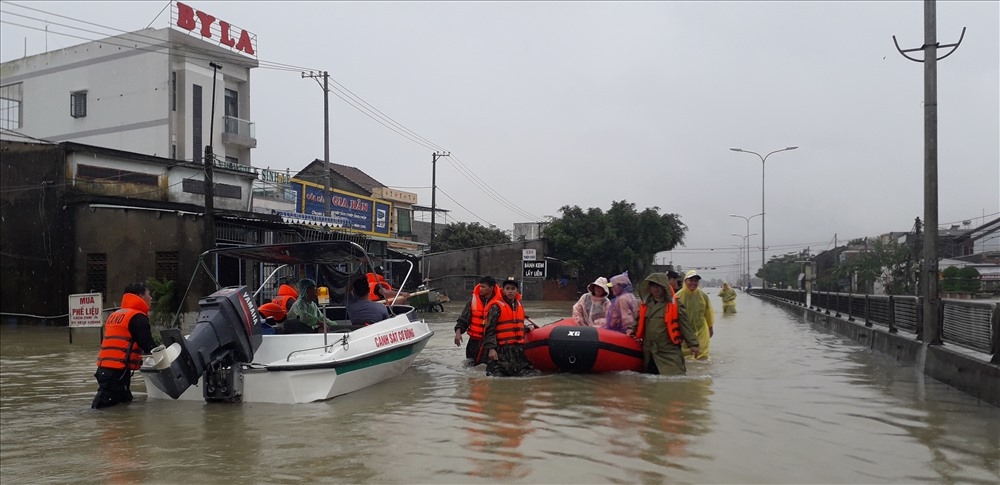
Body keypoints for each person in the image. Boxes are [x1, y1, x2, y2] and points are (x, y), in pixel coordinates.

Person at [92, 282, 158, 409]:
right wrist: (169, 355)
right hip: (117, 372)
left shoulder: (116, 314)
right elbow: (149, 346)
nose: (151, 298)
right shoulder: (137, 317)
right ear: (139, 296)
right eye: (148, 294)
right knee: (103, 408)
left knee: (124, 403)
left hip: (105, 369)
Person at [627, 273, 700, 375]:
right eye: (653, 286)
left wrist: (693, 344)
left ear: (664, 287)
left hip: (668, 351)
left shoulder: (675, 306)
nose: (655, 290)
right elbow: (638, 320)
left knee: (675, 381)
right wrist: (631, 329)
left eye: (658, 287)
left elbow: (685, 326)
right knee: (649, 383)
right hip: (649, 351)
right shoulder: (646, 304)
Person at [482, 277, 537, 377]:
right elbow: (489, 329)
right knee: (497, 377)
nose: (510, 291)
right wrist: (491, 349)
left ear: (517, 291)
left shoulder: (519, 306)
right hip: (501, 351)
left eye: (513, 289)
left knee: (532, 374)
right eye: (507, 289)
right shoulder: (496, 307)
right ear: (503, 290)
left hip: (517, 352)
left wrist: (528, 329)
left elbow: (515, 325)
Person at [454, 276, 502, 365]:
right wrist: (458, 332)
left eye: (483, 287)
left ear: (491, 288)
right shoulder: (473, 300)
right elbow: (464, 319)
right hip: (474, 343)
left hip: (491, 344)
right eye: (480, 286)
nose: (481, 289)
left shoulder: (500, 302)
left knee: (488, 370)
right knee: (471, 368)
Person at [676, 270, 715, 361]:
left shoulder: (703, 296)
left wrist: (710, 327)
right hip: (684, 333)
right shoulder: (677, 296)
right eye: (691, 280)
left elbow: (708, 312)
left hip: (701, 331)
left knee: (702, 357)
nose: (693, 283)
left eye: (696, 281)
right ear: (685, 281)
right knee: (686, 358)